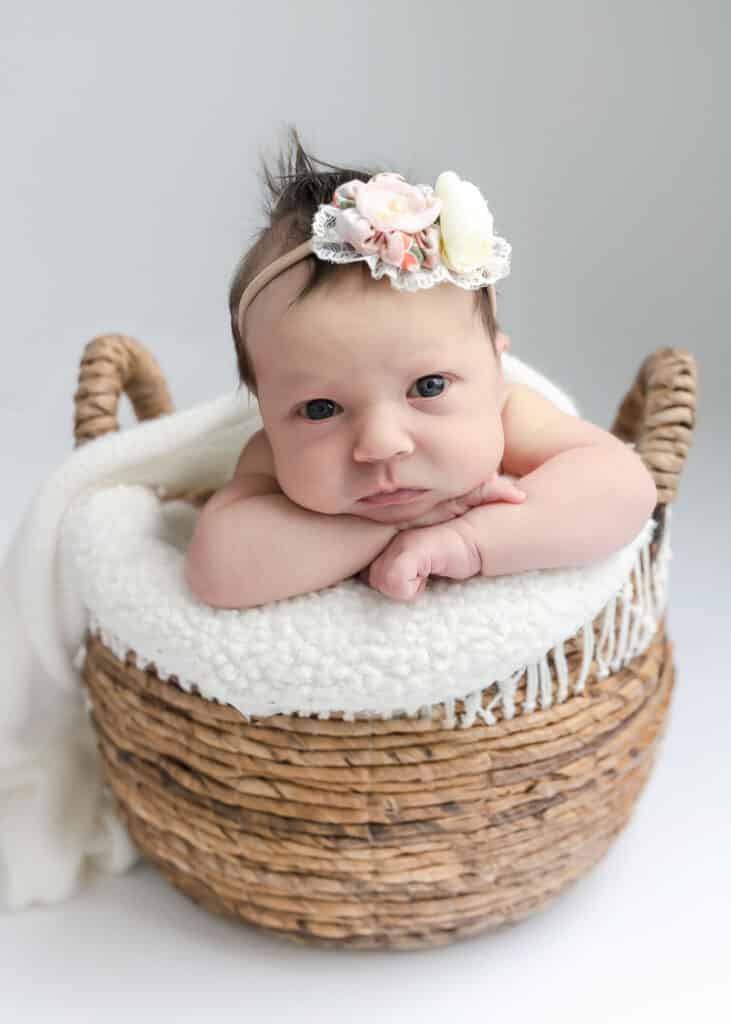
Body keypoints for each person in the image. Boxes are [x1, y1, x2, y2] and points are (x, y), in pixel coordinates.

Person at [184, 130, 657, 607]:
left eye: (428, 387)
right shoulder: (272, 457)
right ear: (264, 405)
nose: (381, 444)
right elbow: (218, 572)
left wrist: (466, 541)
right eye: (321, 408)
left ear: (495, 367)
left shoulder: (509, 412)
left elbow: (625, 488)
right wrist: (389, 527)